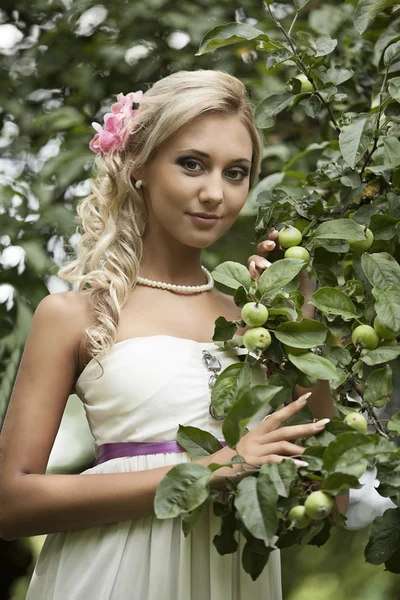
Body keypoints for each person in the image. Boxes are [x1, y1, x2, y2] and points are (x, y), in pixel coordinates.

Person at [0, 69, 341, 600]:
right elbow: (11, 504)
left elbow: (331, 500)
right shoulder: (73, 316)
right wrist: (211, 469)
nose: (214, 193)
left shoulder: (259, 324)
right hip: (110, 579)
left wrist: (303, 320)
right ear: (140, 167)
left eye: (236, 172)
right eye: (191, 164)